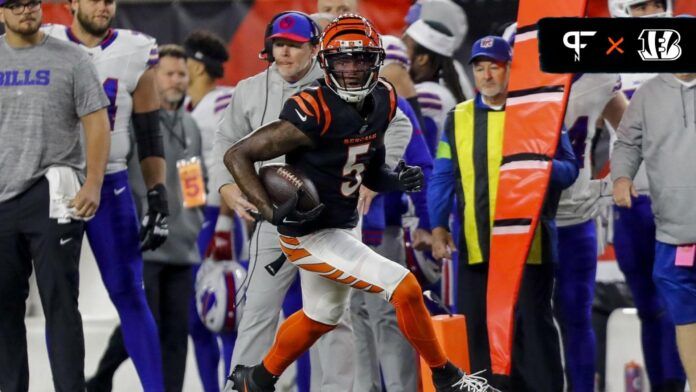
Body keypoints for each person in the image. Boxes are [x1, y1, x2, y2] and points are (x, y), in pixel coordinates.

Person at [224, 14, 489, 392]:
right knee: (405, 287)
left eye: (361, 59)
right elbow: (237, 155)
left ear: (376, 62)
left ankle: (257, 379)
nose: (351, 70)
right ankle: (447, 376)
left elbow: (369, 169)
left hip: (345, 223)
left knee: (322, 315)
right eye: (343, 61)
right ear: (327, 63)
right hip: (310, 233)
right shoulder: (311, 109)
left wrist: (394, 181)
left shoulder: (382, 98)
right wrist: (268, 211)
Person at [211, 11, 359, 392]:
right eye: (279, 44)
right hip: (273, 218)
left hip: (328, 222)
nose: (285, 53)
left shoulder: (340, 85)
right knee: (257, 311)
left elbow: (398, 124)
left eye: (294, 45)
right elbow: (224, 142)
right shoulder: (248, 89)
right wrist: (226, 186)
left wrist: (371, 177)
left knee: (331, 315)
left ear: (314, 49)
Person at [429, 36, 578, 392]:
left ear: (510, 68)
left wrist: (540, 167)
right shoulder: (459, 117)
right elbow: (443, 175)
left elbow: (570, 170)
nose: (486, 75)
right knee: (477, 333)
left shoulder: (540, 111)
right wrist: (436, 225)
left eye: (493, 66)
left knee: (533, 330)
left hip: (530, 246)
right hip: (476, 247)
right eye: (479, 68)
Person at [43, 0, 169, 390]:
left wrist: (157, 192)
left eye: (109, 0)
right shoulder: (43, 40)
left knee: (130, 294)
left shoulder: (134, 49)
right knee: (60, 303)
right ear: (71, 3)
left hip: (112, 184)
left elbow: (149, 132)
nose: (103, 6)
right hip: (55, 183)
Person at [0, 0, 110, 390]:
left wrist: (93, 182)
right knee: (4, 310)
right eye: (14, 5)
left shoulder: (71, 59)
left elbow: (97, 122)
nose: (25, 11)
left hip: (52, 193)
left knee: (61, 305)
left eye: (31, 2)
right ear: (1, 13)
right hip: (2, 199)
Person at [87, 45, 205, 392]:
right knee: (141, 322)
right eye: (168, 73)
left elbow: (193, 179)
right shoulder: (134, 125)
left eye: (181, 74)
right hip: (144, 242)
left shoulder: (190, 126)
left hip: (183, 247)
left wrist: (195, 220)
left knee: (176, 334)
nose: (175, 80)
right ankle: (101, 379)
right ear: (153, 77)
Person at [607, 1, 687, 390]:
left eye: (656, 3)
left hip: (682, 199)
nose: (651, 11)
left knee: (678, 304)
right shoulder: (609, 62)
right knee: (650, 307)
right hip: (634, 201)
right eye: (640, 6)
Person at [350, 34, 434, 392]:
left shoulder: (396, 106)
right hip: (340, 227)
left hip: (381, 226)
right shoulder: (337, 99)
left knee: (385, 313)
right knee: (351, 316)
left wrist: (430, 224)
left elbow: (422, 166)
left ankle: (400, 388)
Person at [554, 73, 626, 392]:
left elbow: (632, 133)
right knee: (542, 321)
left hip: (569, 215)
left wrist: (610, 186)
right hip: (532, 216)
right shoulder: (597, 74)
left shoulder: (599, 76)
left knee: (573, 318)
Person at [183, 29, 240, 392]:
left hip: (220, 219)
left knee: (226, 313)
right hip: (193, 218)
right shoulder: (188, 108)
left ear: (198, 66)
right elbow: (189, 169)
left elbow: (230, 168)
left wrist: (221, 222)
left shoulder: (221, 104)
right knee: (196, 317)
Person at [402, 19, 463, 156]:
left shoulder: (428, 96)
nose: (399, 54)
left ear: (422, 59)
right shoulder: (436, 90)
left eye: (404, 47)